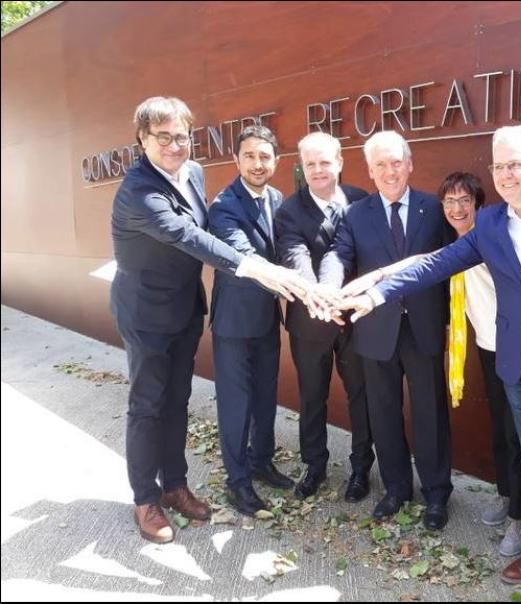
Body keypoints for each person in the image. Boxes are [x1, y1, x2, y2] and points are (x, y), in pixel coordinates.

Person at [338, 125, 521, 601]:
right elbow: (435, 263)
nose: (506, 174)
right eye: (498, 166)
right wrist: (377, 293)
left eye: (515, 164)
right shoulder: (489, 224)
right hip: (518, 363)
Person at [110, 97, 309, 543]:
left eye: (181, 136)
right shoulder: (139, 192)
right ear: (142, 139)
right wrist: (258, 268)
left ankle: (175, 486)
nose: (174, 145)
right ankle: (146, 500)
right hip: (145, 313)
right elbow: (190, 236)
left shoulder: (193, 173)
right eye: (163, 137)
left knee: (178, 400)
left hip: (184, 308)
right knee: (148, 405)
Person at [342, 171, 521, 555]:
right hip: (485, 345)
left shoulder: (493, 236)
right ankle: (505, 496)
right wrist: (375, 284)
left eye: (465, 201)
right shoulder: (459, 243)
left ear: (479, 205)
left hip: (517, 345)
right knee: (501, 428)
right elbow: (423, 263)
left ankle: (518, 516)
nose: (457, 209)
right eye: (450, 202)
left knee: (517, 434)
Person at [318, 130, 453, 530]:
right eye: (381, 165)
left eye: (396, 162)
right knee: (383, 412)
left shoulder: (435, 209)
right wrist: (328, 287)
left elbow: (452, 262)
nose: (390, 171)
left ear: (409, 164)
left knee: (430, 413)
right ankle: (396, 489)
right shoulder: (356, 214)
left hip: (424, 327)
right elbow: (339, 255)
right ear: (370, 171)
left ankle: (436, 493)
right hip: (376, 330)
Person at [273, 132, 374, 502]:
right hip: (310, 321)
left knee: (360, 394)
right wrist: (317, 294)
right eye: (310, 164)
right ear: (302, 166)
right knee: (312, 396)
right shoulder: (289, 210)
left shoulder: (361, 200)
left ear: (339, 162)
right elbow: (294, 256)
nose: (317, 170)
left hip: (356, 321)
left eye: (325, 162)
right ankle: (314, 465)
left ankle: (361, 468)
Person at [207, 125, 296, 517]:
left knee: (265, 396)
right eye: (249, 156)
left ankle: (261, 461)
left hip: (266, 318)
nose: (257, 164)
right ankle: (237, 481)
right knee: (236, 404)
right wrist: (293, 283)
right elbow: (245, 256)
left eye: (264, 156)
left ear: (276, 160)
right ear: (236, 160)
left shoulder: (276, 198)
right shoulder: (223, 206)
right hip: (234, 323)